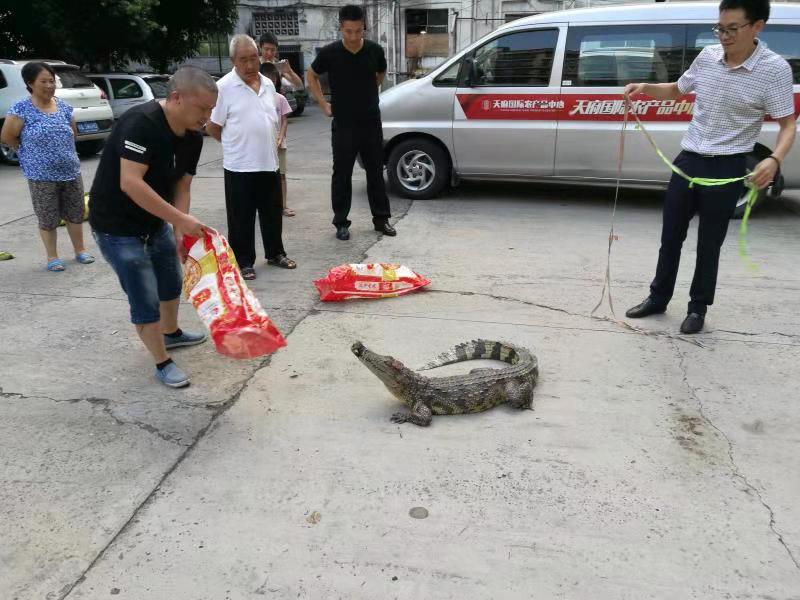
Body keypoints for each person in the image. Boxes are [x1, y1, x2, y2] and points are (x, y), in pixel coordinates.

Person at [624, 0, 796, 334]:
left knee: (709, 242)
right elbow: (676, 90)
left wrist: (773, 159)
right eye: (720, 28)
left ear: (757, 26)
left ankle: (698, 308)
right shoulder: (707, 57)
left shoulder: (774, 70)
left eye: (733, 29)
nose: (724, 36)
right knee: (671, 235)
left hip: (728, 167)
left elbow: (788, 125)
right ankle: (658, 297)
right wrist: (645, 88)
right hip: (689, 160)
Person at [89, 67, 217, 388]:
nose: (207, 116)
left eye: (211, 109)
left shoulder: (192, 138)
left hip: (155, 221)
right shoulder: (140, 124)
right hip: (116, 227)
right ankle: (162, 361)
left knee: (171, 281)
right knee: (144, 295)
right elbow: (130, 183)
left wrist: (179, 230)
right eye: (202, 108)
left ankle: (171, 333)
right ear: (176, 98)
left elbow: (182, 187)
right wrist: (179, 219)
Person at [206, 34, 297, 281]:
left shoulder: (268, 84)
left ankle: (275, 253)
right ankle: (244, 261)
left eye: (253, 58)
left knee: (271, 212)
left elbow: (274, 118)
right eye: (243, 60)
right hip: (239, 166)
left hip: (268, 161)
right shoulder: (224, 88)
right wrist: (235, 144)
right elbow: (213, 126)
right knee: (241, 217)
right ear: (233, 60)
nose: (249, 65)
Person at [306, 4, 395, 241]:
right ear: (341, 29)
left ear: (364, 27)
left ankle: (381, 219)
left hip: (370, 123)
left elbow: (380, 75)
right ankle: (341, 223)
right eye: (349, 32)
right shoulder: (330, 53)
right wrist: (324, 105)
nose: (354, 37)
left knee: (375, 172)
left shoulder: (375, 50)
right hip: (344, 125)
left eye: (358, 31)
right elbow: (311, 75)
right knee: (342, 173)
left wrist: (365, 93)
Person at [1, 62, 94, 272]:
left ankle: (80, 250)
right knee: (47, 216)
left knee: (75, 213)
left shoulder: (63, 106)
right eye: (43, 81)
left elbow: (73, 133)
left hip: (70, 170)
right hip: (40, 174)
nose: (49, 85)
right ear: (30, 83)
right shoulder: (21, 109)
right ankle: (53, 257)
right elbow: (7, 136)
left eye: (52, 81)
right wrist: (28, 152)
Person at [261, 62, 294, 218]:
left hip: (279, 145)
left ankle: (283, 205)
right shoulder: (257, 99)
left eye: (272, 77)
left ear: (276, 79)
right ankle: (265, 206)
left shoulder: (280, 98)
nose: (269, 80)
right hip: (262, 147)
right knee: (263, 177)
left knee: (281, 175)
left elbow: (284, 119)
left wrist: (281, 136)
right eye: (266, 76)